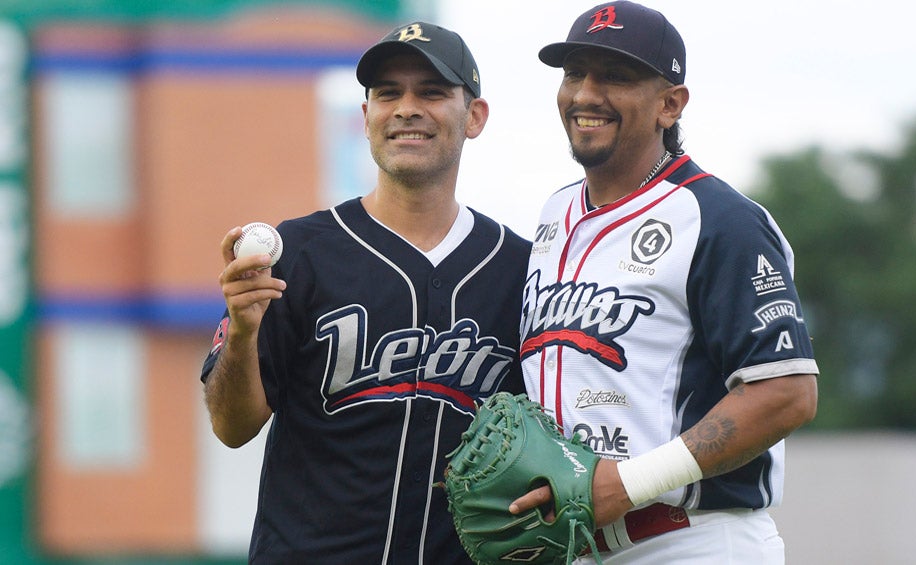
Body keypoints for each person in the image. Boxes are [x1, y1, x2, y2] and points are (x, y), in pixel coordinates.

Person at [200, 21, 530, 564]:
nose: (405, 108)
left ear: (475, 116)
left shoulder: (519, 269)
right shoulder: (298, 253)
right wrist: (242, 331)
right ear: (366, 117)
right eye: (387, 93)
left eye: (431, 91)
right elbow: (231, 427)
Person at [512, 2, 819, 563]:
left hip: (692, 539)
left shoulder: (718, 218)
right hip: (576, 544)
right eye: (575, 72)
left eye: (616, 76)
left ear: (669, 104)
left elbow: (786, 394)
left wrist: (624, 486)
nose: (585, 93)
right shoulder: (553, 215)